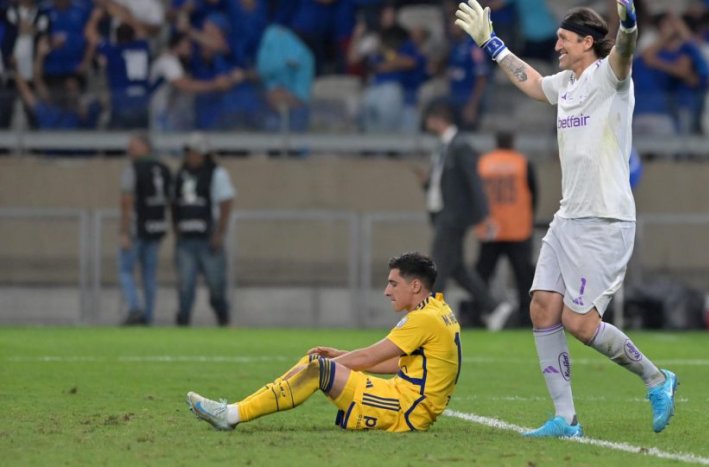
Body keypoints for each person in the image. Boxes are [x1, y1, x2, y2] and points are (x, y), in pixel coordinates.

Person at [453, 0, 678, 438]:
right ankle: (566, 419)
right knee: (540, 307)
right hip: (568, 217)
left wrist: (630, 25)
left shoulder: (610, 78)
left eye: (564, 39)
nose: (557, 45)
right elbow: (533, 83)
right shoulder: (567, 85)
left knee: (579, 322)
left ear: (588, 43)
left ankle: (657, 378)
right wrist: (492, 43)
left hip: (605, 218)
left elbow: (625, 51)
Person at [187, 252, 461, 433]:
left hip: (405, 409)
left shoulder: (423, 319)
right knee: (317, 364)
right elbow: (398, 363)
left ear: (414, 286)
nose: (386, 291)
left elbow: (368, 359)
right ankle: (232, 411)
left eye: (393, 283)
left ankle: (230, 415)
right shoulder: (438, 310)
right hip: (407, 402)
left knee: (316, 368)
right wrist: (338, 356)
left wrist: (323, 365)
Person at [420, 101, 514, 331]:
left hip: (453, 217)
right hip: (443, 214)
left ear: (438, 119)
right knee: (458, 269)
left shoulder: (460, 146)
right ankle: (494, 308)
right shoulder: (443, 147)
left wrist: (484, 216)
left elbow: (474, 182)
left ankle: (429, 317)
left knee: (437, 268)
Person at [474, 131, 537, 327]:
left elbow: (475, 192)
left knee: (482, 275)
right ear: (513, 142)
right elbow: (534, 193)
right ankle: (526, 318)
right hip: (517, 229)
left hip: (490, 229)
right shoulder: (522, 162)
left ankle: (478, 314)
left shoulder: (484, 163)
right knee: (523, 278)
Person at [173, 132, 235, 327]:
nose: (191, 156)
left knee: (216, 287)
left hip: (208, 238)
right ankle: (183, 323)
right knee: (185, 286)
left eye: (195, 152)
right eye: (189, 152)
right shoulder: (181, 175)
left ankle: (223, 320)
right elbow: (175, 204)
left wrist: (219, 232)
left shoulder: (217, 174)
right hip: (186, 239)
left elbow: (226, 202)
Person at [117, 133, 172, 325]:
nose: (129, 150)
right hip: (156, 228)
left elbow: (127, 201)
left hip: (137, 229)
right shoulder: (164, 169)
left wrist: (124, 231)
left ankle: (135, 308)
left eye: (133, 146)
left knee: (125, 271)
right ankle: (149, 316)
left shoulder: (133, 169)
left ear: (145, 147)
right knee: (149, 274)